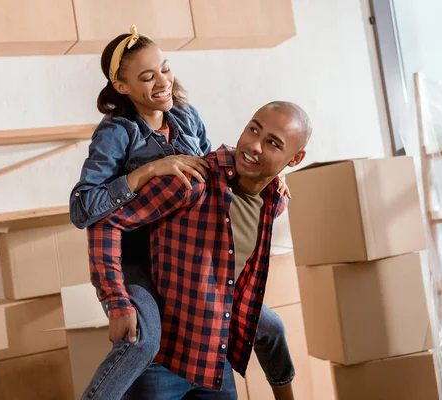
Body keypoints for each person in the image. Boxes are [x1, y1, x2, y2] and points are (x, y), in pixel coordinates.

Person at [70, 25, 292, 399]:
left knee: (267, 324)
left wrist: (270, 178)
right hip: (136, 258)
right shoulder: (117, 133)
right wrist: (144, 172)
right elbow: (83, 209)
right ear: (122, 87)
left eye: (165, 68)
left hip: (181, 253)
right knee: (144, 340)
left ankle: (284, 390)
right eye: (147, 76)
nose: (162, 81)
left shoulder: (186, 116)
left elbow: (213, 171)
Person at [87, 101, 312, 399]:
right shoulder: (192, 182)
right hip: (161, 362)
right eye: (253, 129)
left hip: (210, 359)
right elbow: (105, 221)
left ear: (295, 158)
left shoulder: (275, 201)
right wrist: (116, 300)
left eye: (272, 143)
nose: (255, 145)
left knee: (272, 327)